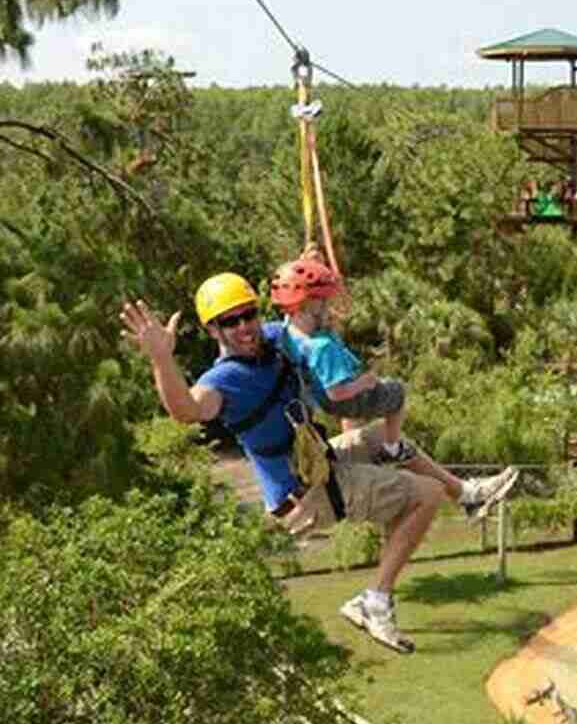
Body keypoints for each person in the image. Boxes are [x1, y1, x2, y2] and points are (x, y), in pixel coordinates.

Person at [119, 273, 519, 653]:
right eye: (231, 321)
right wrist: (160, 359)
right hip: (306, 494)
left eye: (249, 314)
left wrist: (311, 279)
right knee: (425, 496)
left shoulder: (275, 339)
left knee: (381, 436)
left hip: (320, 463)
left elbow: (304, 318)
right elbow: (187, 410)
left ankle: (466, 494)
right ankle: (375, 601)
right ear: (213, 331)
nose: (245, 327)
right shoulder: (223, 381)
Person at [271, 249, 413, 465]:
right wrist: (365, 383)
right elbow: (337, 393)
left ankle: (364, 448)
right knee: (397, 393)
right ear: (307, 305)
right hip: (343, 399)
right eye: (323, 302)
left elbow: (294, 289)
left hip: (320, 396)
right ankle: (392, 448)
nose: (327, 305)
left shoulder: (288, 330)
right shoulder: (322, 347)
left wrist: (307, 265)